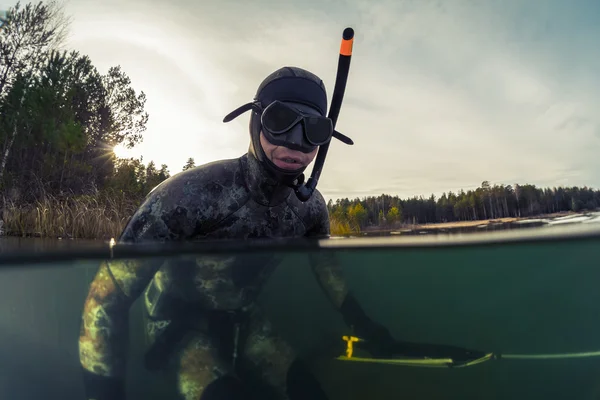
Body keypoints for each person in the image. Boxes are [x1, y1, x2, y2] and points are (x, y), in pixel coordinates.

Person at [78, 66, 400, 400]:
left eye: (314, 130)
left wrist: (359, 320)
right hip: (178, 326)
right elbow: (105, 299)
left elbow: (324, 265)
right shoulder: (188, 196)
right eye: (280, 122)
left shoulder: (310, 209)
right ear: (255, 120)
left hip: (245, 322)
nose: (296, 144)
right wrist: (104, 392)